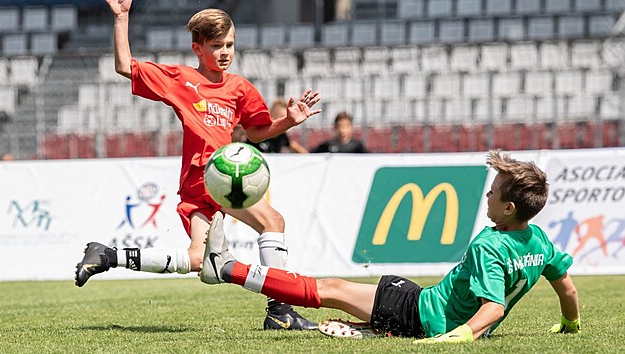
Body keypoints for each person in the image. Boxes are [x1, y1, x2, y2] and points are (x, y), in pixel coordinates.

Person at [74, 1, 322, 331]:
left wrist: (287, 122)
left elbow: (258, 130)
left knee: (195, 259)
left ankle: (107, 255)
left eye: (229, 45)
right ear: (198, 48)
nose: (224, 52)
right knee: (272, 221)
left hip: (204, 180)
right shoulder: (182, 79)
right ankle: (280, 310)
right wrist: (122, 18)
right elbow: (125, 67)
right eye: (216, 46)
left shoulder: (239, 89)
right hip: (211, 174)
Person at [199, 150, 580, 341]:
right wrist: (570, 324)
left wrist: (457, 338)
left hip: (421, 314)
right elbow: (567, 286)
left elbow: (493, 309)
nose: (487, 197)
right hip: (422, 303)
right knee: (362, 295)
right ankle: (372, 328)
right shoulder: (540, 241)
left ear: (509, 207)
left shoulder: (489, 245)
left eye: (493, 194)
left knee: (328, 289)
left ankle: (228, 269)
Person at [233, 98, 308, 153]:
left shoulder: (282, 135)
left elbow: (293, 146)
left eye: (287, 119)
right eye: (282, 118)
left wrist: (312, 159)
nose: (285, 122)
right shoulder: (256, 129)